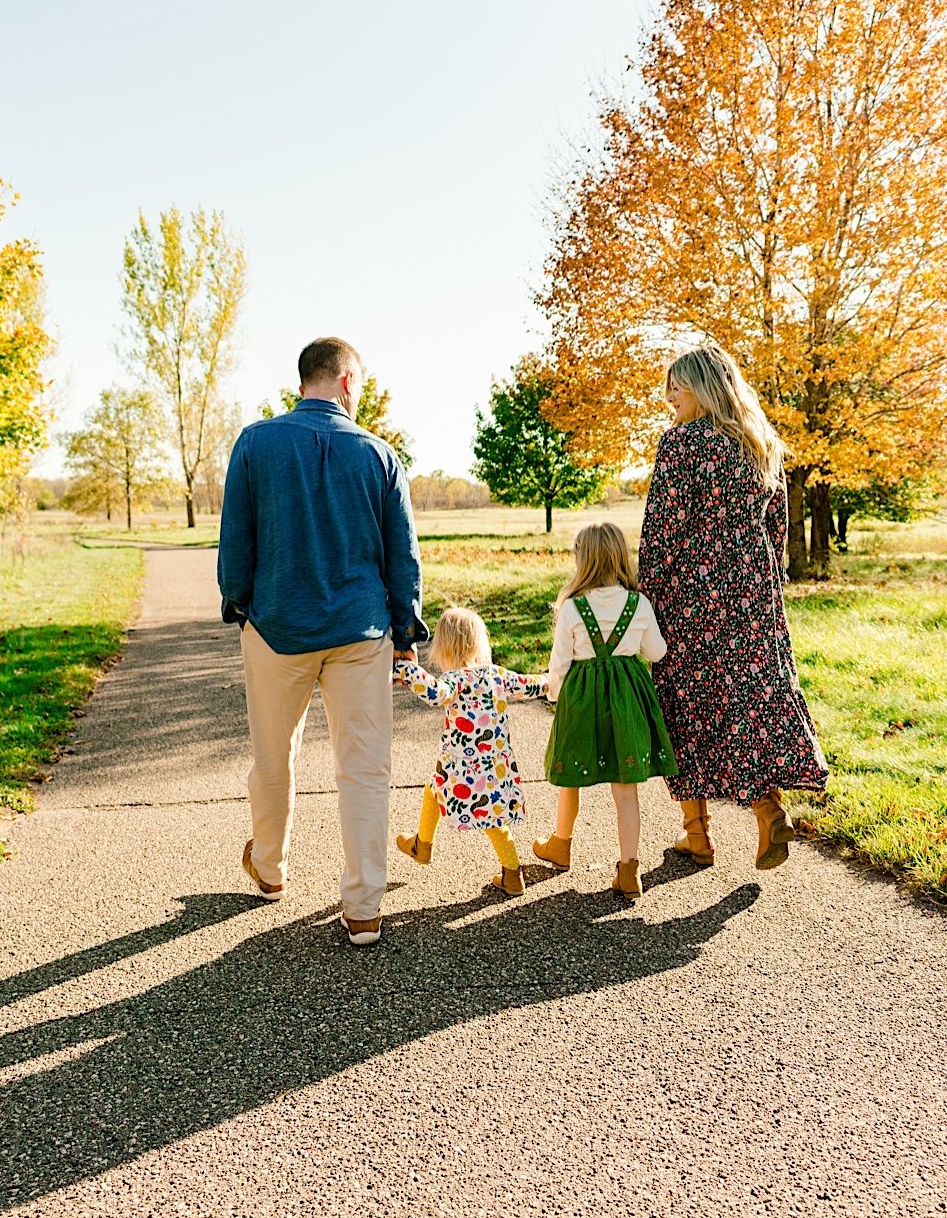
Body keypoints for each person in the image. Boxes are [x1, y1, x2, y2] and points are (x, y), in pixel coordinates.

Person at [217, 337, 427, 947]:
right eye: (357, 385)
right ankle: (363, 904)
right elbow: (402, 557)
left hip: (276, 626)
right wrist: (405, 633)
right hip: (360, 632)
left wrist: (242, 606)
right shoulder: (380, 455)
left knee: (273, 753)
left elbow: (236, 545)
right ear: (345, 382)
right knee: (363, 767)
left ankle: (271, 867)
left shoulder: (255, 444)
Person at [638, 345, 827, 871]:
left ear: (702, 386)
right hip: (753, 589)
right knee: (750, 697)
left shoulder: (682, 444)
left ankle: (697, 834)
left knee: (688, 700)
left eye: (676, 386)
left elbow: (663, 529)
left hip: (691, 593)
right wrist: (770, 580)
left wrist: (645, 592)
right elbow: (777, 524)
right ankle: (769, 811)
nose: (669, 398)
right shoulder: (759, 442)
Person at [533, 522, 677, 903]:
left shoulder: (572, 608)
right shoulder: (639, 604)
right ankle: (629, 869)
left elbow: (559, 664)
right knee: (625, 790)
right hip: (626, 699)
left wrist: (555, 697)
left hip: (583, 700)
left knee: (571, 778)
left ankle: (560, 844)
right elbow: (656, 652)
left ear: (583, 560)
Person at [391, 607, 547, 896]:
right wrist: (554, 681)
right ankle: (512, 873)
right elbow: (528, 685)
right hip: (495, 765)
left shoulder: (455, 680)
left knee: (435, 791)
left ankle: (422, 846)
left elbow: (435, 693)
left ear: (443, 647)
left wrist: (407, 670)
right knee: (493, 818)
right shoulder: (496, 675)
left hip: (460, 766)